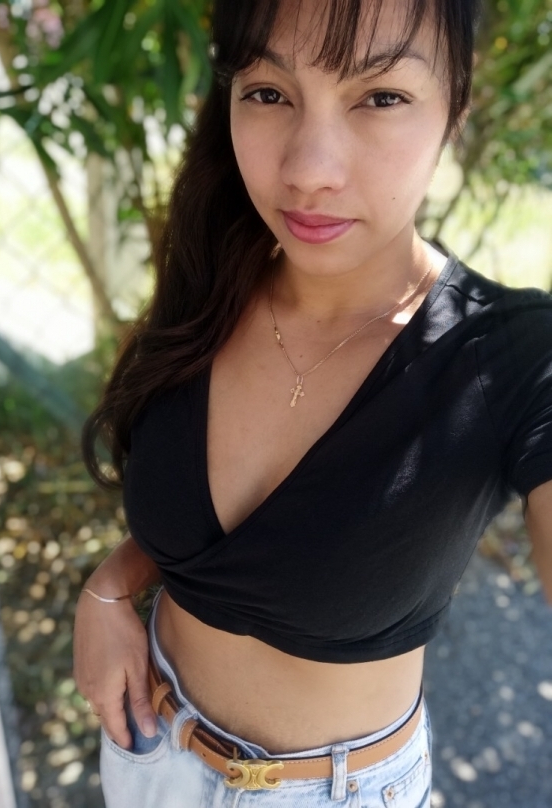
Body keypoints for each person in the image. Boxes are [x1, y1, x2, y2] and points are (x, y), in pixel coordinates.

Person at [74, 0, 552, 805]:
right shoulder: (215, 277)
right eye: (268, 92)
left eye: (381, 96)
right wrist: (109, 588)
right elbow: (222, 543)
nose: (307, 170)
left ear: (454, 111)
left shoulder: (512, 358)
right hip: (148, 749)